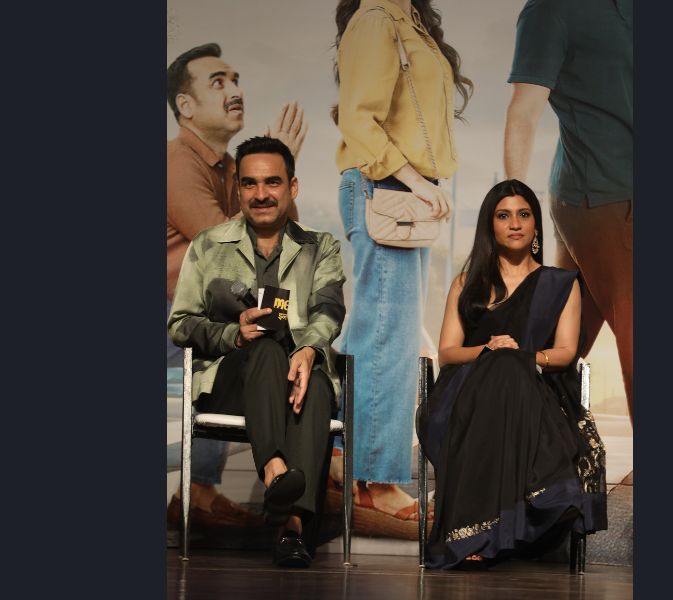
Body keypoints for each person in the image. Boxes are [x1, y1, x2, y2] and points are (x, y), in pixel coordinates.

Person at [330, 0, 473, 539]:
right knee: (388, 340)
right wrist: (416, 183)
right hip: (388, 190)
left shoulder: (406, 20)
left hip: (398, 194)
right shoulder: (377, 19)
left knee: (375, 333)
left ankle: (345, 457)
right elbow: (359, 119)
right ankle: (377, 480)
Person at [168, 136, 346, 568]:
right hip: (230, 385)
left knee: (316, 384)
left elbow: (329, 309)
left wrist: (308, 349)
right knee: (264, 345)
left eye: (272, 182)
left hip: (298, 382)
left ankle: (291, 528)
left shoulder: (320, 246)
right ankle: (275, 471)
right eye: (249, 183)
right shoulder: (208, 245)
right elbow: (180, 323)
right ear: (238, 189)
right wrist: (233, 334)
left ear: (292, 187)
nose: (261, 194)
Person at [417, 180, 607, 569]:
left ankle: (482, 533)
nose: (515, 224)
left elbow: (565, 352)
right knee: (502, 365)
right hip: (466, 392)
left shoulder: (560, 284)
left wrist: (520, 357)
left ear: (536, 224)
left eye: (524, 214)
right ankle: (541, 501)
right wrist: (489, 350)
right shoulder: (467, 283)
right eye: (503, 216)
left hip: (536, 390)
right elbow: (448, 352)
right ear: (490, 225)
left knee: (511, 367)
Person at [166, 43, 308, 530]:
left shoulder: (231, 167)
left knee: (298, 334)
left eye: (235, 79)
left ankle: (298, 473)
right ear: (185, 106)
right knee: (254, 336)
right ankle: (214, 490)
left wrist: (276, 173)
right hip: (175, 317)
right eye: (218, 82)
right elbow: (226, 250)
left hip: (220, 309)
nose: (234, 90)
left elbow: (287, 245)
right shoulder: (176, 162)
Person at [503, 0, 633, 424]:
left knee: (559, 345)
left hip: (602, 195)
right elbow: (523, 111)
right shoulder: (551, 10)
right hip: (606, 196)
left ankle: (525, 443)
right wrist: (512, 202)